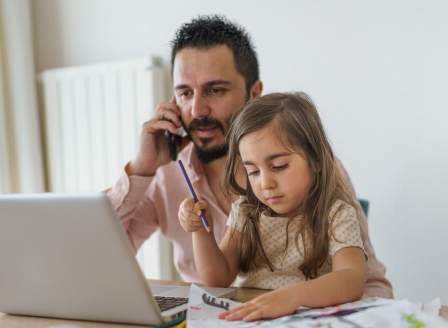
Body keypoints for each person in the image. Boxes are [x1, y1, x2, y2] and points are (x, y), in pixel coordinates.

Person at [105, 15, 393, 298]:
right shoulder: (166, 172)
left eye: (215, 90)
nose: (197, 110)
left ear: (254, 93)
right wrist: (141, 168)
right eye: (185, 93)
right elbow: (97, 254)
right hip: (224, 323)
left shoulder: (320, 170)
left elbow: (369, 283)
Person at [178, 92, 367, 321]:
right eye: (254, 171)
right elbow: (217, 279)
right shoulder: (245, 212)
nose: (265, 183)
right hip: (250, 322)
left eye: (279, 166)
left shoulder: (335, 214)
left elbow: (352, 279)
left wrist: (292, 296)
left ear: (316, 159)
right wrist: (200, 231)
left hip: (308, 326)